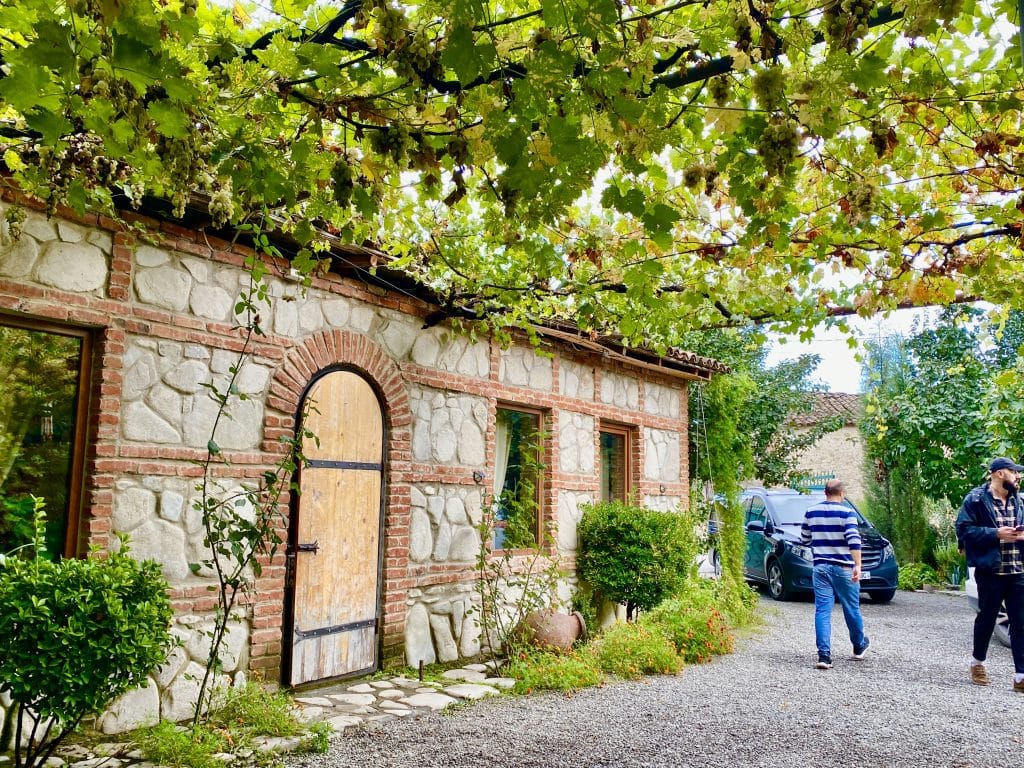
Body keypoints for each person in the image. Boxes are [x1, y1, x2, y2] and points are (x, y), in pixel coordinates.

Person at [955, 456, 1024, 692]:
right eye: (1014, 472)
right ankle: (978, 663)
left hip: (1018, 571)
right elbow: (964, 531)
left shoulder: (1019, 501)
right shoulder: (975, 500)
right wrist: (996, 534)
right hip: (991, 571)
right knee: (986, 620)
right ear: (999, 473)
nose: (1018, 476)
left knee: (1021, 624)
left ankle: (1020, 676)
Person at [801, 479, 869, 669]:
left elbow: (804, 539)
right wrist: (858, 565)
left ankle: (824, 656)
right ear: (842, 494)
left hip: (820, 567)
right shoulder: (848, 513)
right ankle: (858, 646)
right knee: (851, 608)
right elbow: (853, 540)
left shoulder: (811, 512)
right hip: (843, 568)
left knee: (822, 610)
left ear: (825, 493)